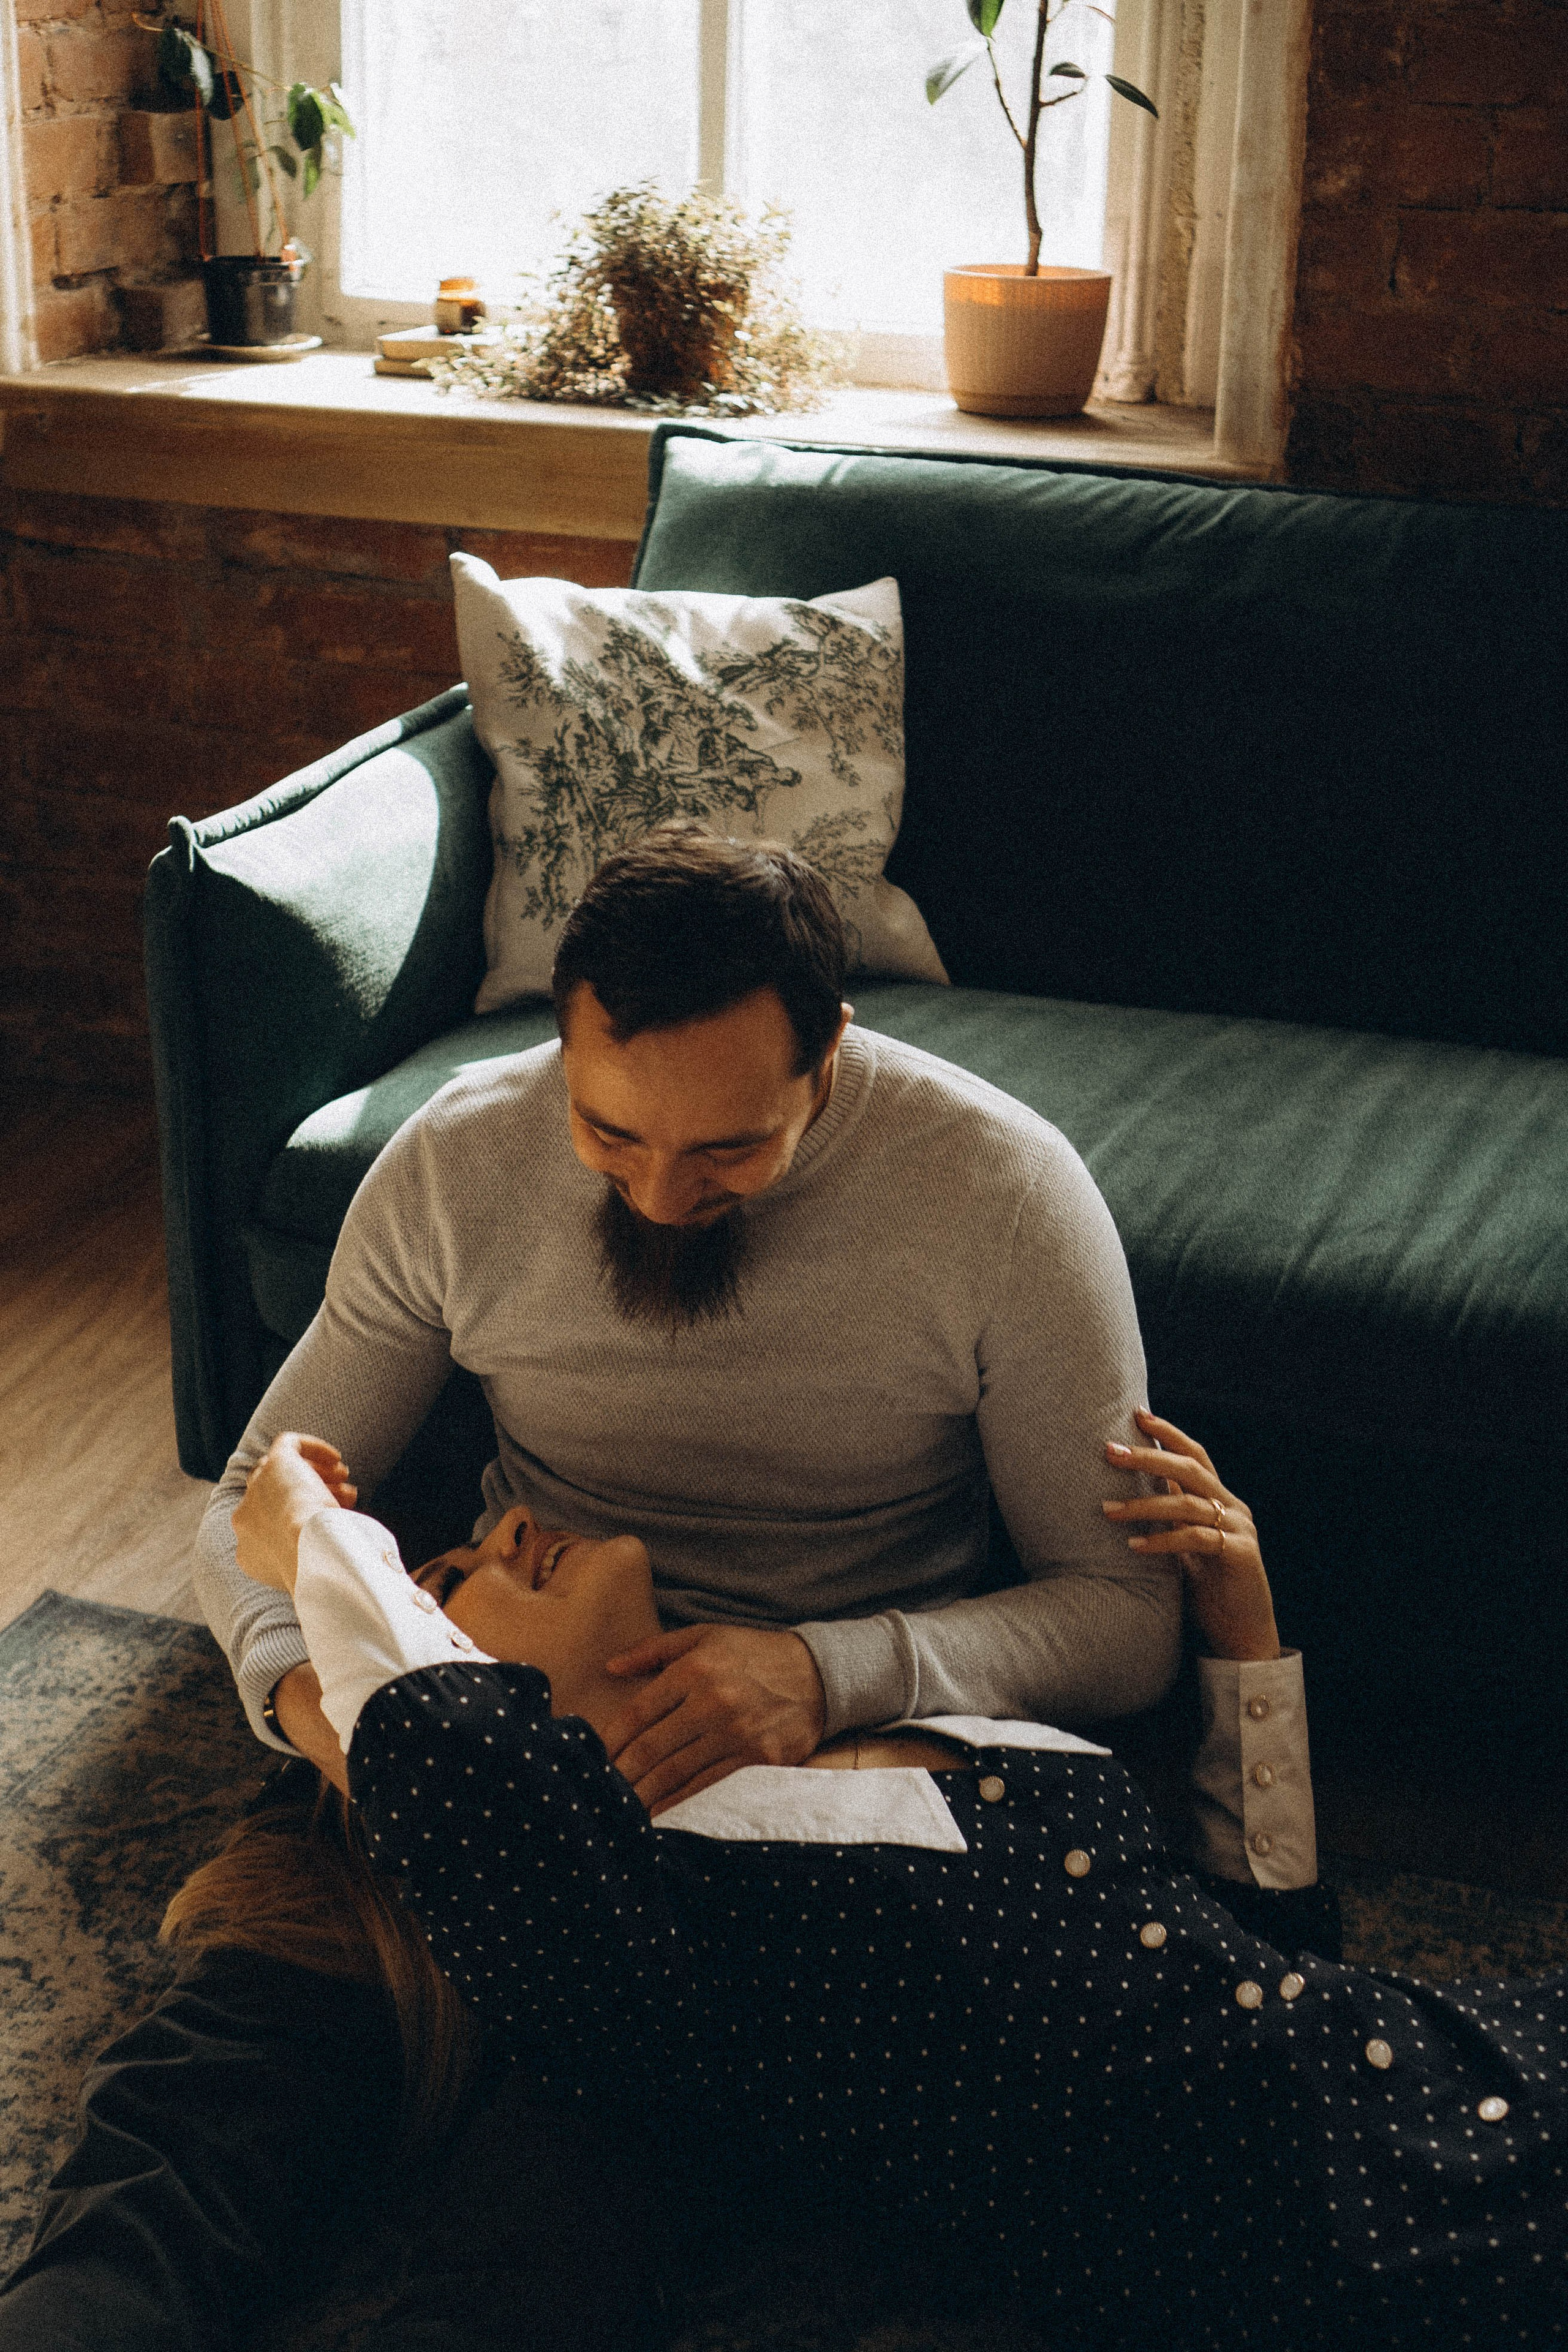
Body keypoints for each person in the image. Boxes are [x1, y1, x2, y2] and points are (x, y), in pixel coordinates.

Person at [17, 1423, 1536, 2352]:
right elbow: (444, 1744)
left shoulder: (861, 1735)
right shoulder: (643, 1913)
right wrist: (308, 1538)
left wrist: (1243, 1634)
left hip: (1468, 2050)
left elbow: (1264, 1950)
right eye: (455, 1578)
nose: (501, 1527)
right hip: (1375, 2241)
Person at [195, 822, 1192, 1818]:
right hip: (505, 1721)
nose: (662, 1197)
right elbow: (246, 1503)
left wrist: (828, 1674)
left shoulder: (1006, 1192)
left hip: (848, 1744)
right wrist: (342, 1734)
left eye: (729, 1148)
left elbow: (1125, 1616)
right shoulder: (455, 1163)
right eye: (608, 1132)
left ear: (829, 1049)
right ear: (564, 1039)